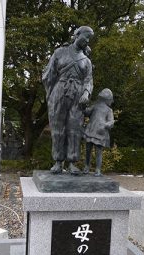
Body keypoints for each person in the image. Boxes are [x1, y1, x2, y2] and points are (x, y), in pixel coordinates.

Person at [42, 26, 94, 174]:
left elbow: (88, 80)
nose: (87, 41)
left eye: (89, 38)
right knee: (58, 128)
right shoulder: (60, 52)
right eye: (86, 36)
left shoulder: (86, 61)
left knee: (74, 129)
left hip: (77, 96)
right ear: (77, 35)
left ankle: (72, 162)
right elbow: (49, 74)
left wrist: (86, 93)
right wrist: (51, 95)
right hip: (60, 92)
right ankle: (58, 162)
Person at [83, 88, 114, 176]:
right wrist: (84, 105)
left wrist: (107, 124)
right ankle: (86, 167)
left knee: (98, 152)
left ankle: (98, 169)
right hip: (91, 130)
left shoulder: (109, 110)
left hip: (100, 132)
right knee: (88, 150)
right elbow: (87, 112)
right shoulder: (95, 105)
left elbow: (111, 121)